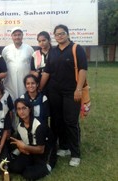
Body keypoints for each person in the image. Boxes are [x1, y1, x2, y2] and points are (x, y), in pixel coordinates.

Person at [39, 24, 88, 167]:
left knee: (71, 121)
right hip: (54, 92)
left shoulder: (76, 48)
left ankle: (75, 153)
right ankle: (64, 147)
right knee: (56, 121)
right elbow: (47, 72)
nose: (59, 36)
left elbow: (83, 70)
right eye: (57, 34)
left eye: (62, 33)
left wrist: (78, 89)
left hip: (71, 92)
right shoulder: (53, 51)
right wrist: (40, 88)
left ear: (67, 34)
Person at [9, 98, 53, 180]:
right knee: (14, 168)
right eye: (19, 109)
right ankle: (31, 166)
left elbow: (41, 150)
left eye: (24, 108)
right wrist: (21, 148)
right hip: (30, 152)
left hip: (43, 155)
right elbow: (21, 143)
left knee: (28, 175)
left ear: (29, 109)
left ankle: (46, 167)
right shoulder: (20, 126)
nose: (21, 111)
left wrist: (24, 147)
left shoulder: (39, 125)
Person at [2, 27, 34, 101]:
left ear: (22, 36)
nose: (17, 37)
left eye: (19, 35)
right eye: (15, 35)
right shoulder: (6, 49)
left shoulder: (29, 48)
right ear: (12, 37)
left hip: (24, 81)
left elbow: (33, 65)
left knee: (25, 101)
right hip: (10, 82)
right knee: (10, 101)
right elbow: (3, 64)